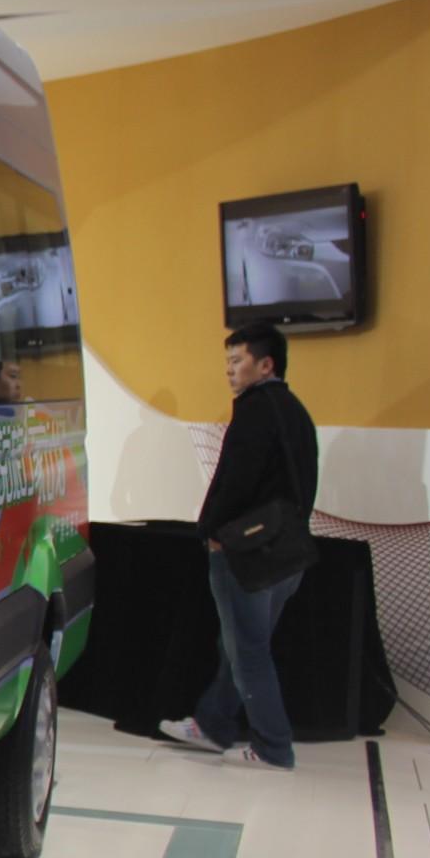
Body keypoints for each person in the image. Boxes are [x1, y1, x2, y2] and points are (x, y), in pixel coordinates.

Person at [165, 322, 320, 769]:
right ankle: (213, 723)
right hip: (286, 552)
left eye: (237, 361)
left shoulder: (254, 411)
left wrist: (212, 532)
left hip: (246, 553)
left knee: (248, 652)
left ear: (265, 364)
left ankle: (273, 747)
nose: (229, 370)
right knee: (240, 645)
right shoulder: (295, 411)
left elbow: (234, 480)